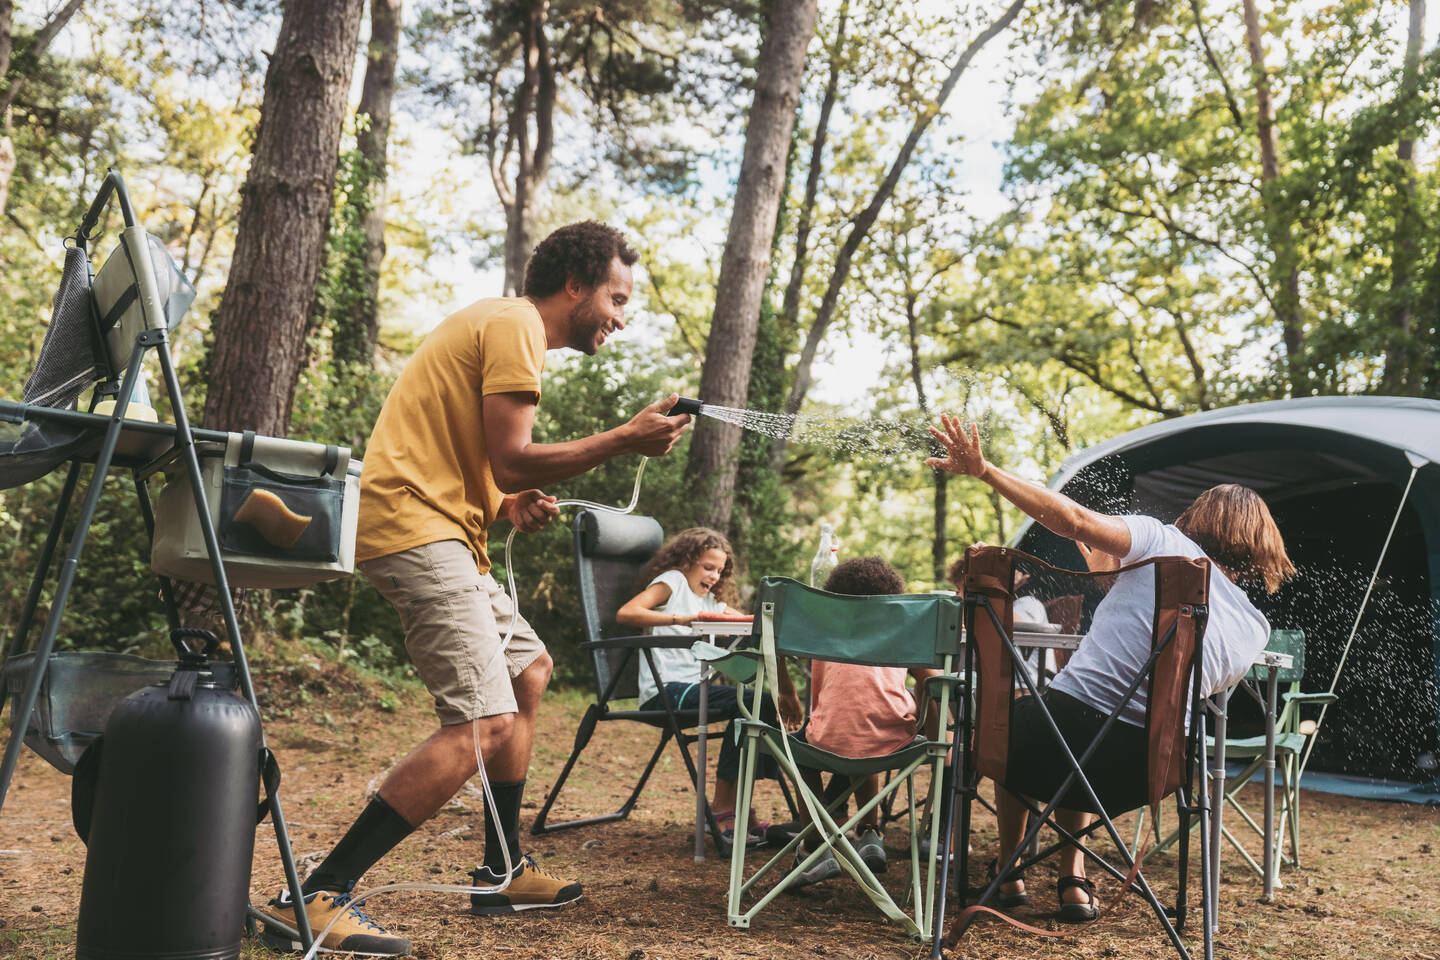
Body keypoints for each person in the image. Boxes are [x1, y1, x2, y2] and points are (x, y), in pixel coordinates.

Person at [260, 222, 691, 955]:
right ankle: (315, 896)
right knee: (481, 722)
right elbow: (515, 456)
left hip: (445, 530)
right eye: (617, 298)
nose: (622, 316)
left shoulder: (499, 324)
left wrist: (502, 505)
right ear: (576, 286)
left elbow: (470, 458)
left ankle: (500, 871)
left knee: (529, 671)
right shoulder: (518, 323)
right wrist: (622, 438)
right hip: (414, 532)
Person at [926, 414, 1293, 923]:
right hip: (1146, 769)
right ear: (1262, 543)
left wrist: (986, 471)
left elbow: (1074, 522)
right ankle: (1073, 879)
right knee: (1084, 739)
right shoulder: (1256, 629)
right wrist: (1111, 585)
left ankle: (1010, 869)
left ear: (1197, 518)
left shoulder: (1161, 541)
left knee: (1023, 719)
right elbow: (1171, 681)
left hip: (1050, 741)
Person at [615, 527, 803, 845]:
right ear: (687, 561)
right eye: (708, 567)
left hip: (692, 688)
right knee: (757, 702)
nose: (714, 576)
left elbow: (745, 620)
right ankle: (723, 809)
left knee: (758, 705)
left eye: (719, 570)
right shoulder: (672, 581)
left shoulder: (711, 602)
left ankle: (732, 806)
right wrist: (680, 620)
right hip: (666, 692)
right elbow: (627, 613)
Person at [789, 557, 941, 888]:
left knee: (799, 750)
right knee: (871, 730)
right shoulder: (900, 629)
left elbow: (777, 653)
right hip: (891, 741)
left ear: (836, 597)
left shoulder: (822, 629)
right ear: (890, 597)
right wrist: (926, 712)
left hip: (826, 737)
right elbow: (935, 680)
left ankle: (814, 846)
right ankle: (870, 833)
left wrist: (787, 693)